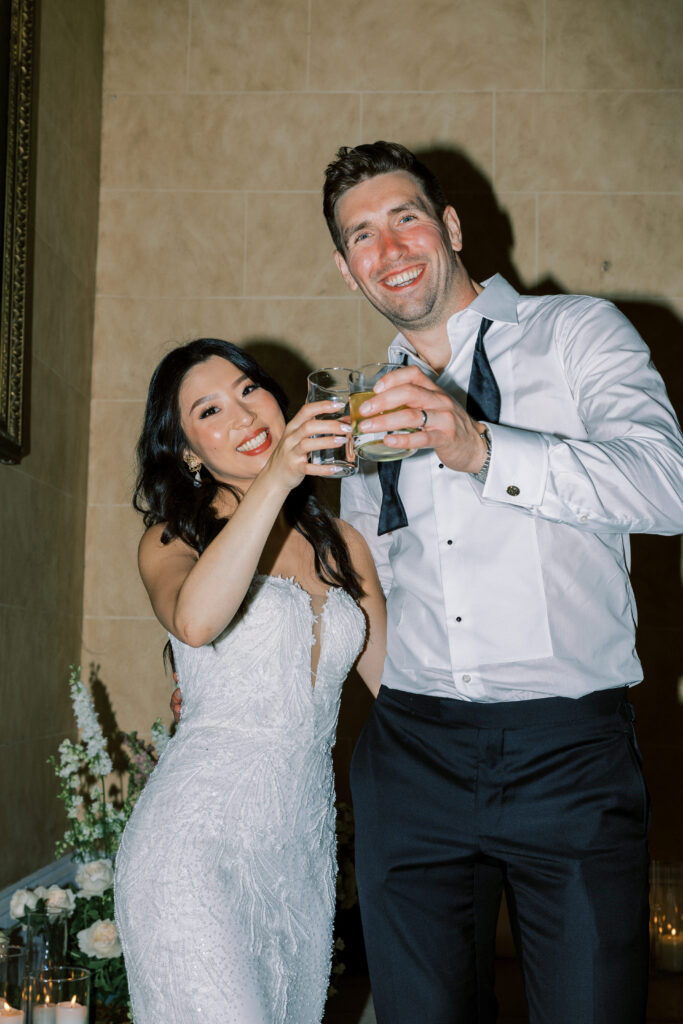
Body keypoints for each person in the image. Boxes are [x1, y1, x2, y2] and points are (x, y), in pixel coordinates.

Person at [321, 141, 683, 1024]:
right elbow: (369, 571)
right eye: (361, 235)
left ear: (447, 226)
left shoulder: (580, 333)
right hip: (411, 757)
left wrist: (481, 449)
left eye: (405, 216)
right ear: (345, 270)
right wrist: (397, 699)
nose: (389, 247)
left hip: (568, 754)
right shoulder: (365, 405)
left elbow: (667, 486)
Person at [114, 338, 386, 1024]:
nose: (241, 412)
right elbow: (197, 622)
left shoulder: (343, 545)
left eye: (247, 389)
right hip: (192, 850)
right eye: (209, 409)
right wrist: (276, 479)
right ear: (187, 451)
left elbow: (403, 691)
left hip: (299, 855)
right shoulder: (172, 539)